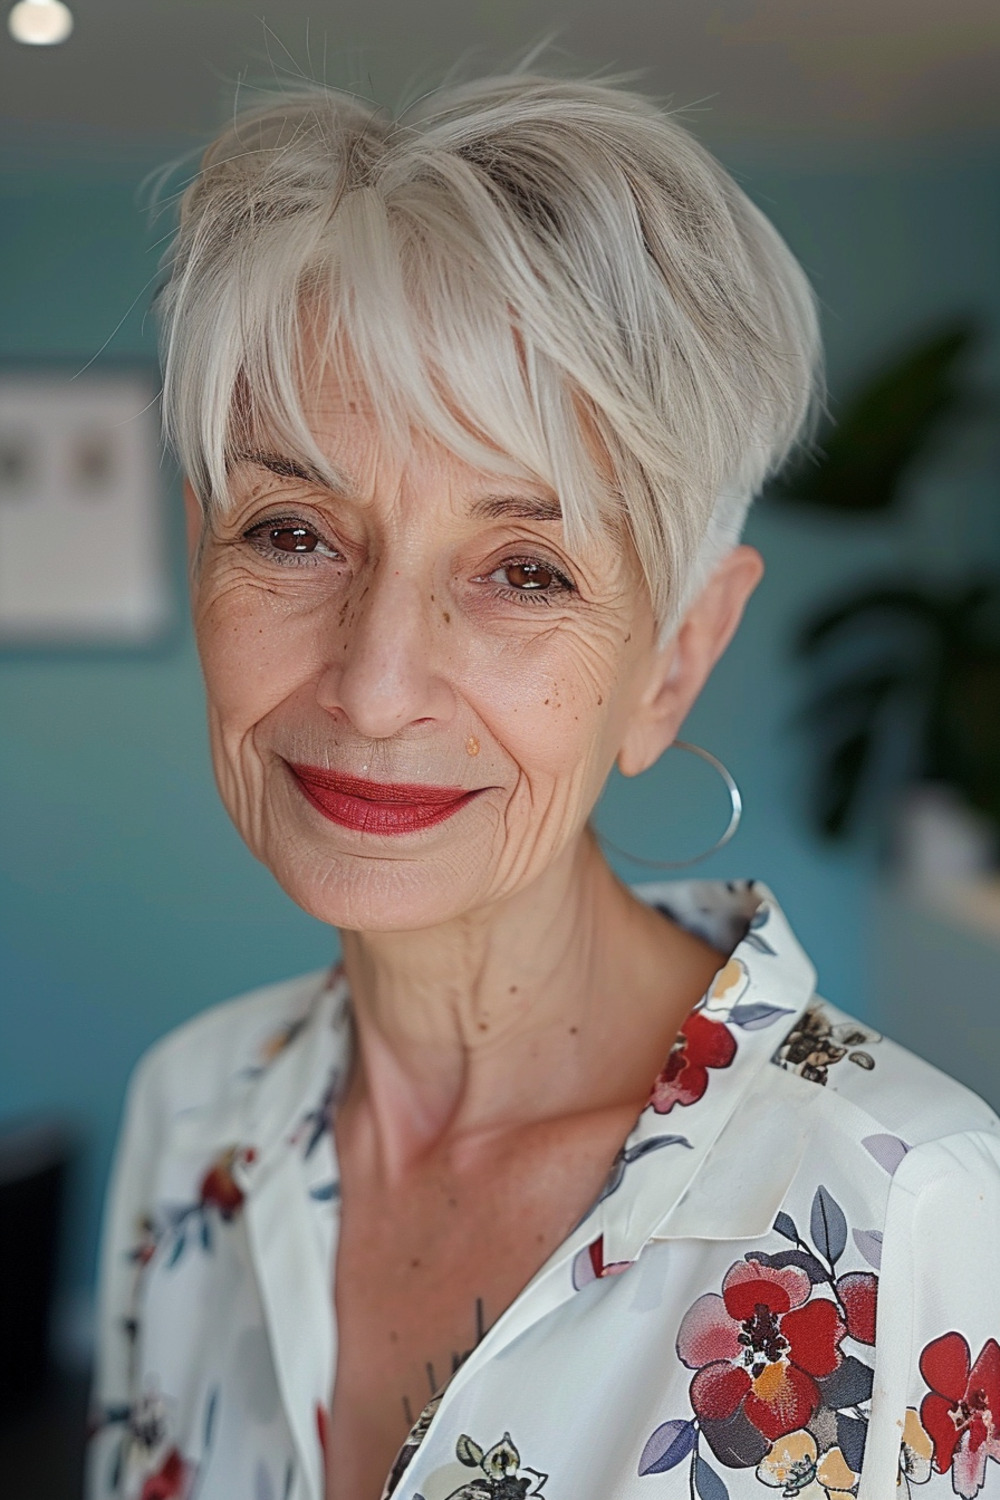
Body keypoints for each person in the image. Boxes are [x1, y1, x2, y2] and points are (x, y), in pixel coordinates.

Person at [87, 69, 1000, 1500]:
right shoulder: (191, 1116)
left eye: (526, 570)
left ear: (675, 659)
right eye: (292, 532)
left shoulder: (910, 1208)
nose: (375, 683)